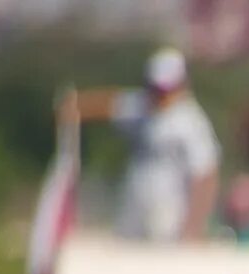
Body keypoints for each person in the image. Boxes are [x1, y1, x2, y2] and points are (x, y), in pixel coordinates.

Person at [68, 48, 217, 243]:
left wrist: (194, 226)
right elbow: (108, 104)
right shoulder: (140, 106)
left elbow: (205, 175)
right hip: (134, 201)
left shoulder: (191, 122)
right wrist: (72, 108)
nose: (160, 96)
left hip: (170, 208)